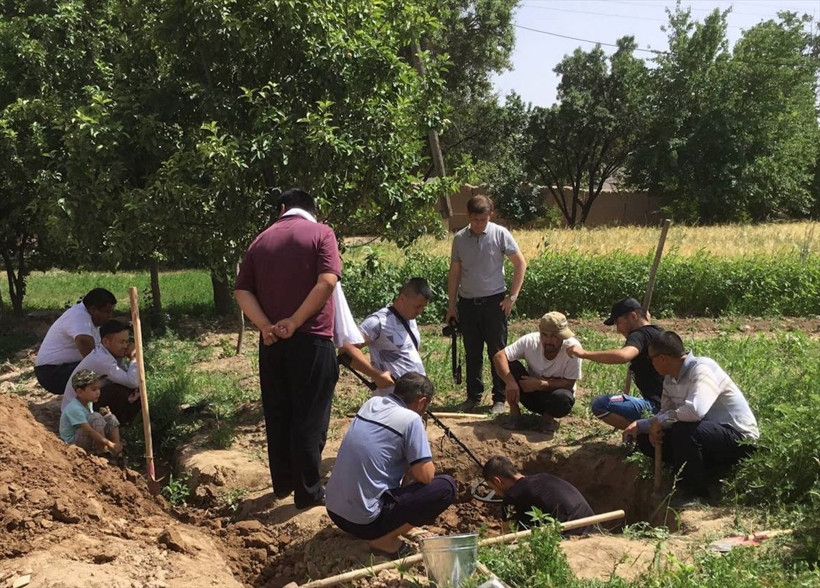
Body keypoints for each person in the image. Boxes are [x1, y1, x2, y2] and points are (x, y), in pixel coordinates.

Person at [235, 188, 340, 510]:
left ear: (282, 208)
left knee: (279, 413)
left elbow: (241, 291)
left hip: (271, 344)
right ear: (313, 210)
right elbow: (327, 282)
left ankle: (282, 484)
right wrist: (294, 321)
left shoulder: (260, 240)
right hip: (312, 338)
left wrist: (266, 326)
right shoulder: (322, 234)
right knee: (310, 416)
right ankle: (308, 492)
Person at [326, 373, 457, 559]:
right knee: (446, 487)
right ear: (422, 401)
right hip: (365, 523)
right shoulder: (411, 420)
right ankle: (384, 541)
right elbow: (426, 476)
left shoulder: (371, 404)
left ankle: (396, 528)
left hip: (335, 512)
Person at [623, 331, 759, 505]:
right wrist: (641, 425)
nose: (652, 364)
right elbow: (666, 412)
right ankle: (701, 468)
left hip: (738, 438)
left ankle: (694, 492)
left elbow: (695, 412)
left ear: (662, 358)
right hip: (706, 434)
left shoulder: (702, 369)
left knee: (683, 429)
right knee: (646, 439)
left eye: (651, 359)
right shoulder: (670, 379)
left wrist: (661, 422)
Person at [446, 195, 527, 414]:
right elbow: (455, 272)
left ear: (490, 215)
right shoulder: (460, 239)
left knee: (497, 351)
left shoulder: (500, 234)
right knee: (472, 351)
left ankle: (499, 398)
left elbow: (520, 263)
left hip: (494, 303)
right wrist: (452, 305)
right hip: (468, 303)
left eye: (483, 219)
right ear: (469, 216)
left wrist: (512, 297)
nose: (479, 223)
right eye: (475, 219)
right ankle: (473, 397)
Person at [567, 297, 664, 431]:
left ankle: (641, 433)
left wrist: (585, 354)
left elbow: (624, 355)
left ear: (633, 316)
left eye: (618, 322)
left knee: (600, 404)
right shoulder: (658, 332)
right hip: (669, 406)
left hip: (656, 407)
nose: (618, 330)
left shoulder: (638, 335)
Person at [492, 312, 581, 434]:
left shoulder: (572, 349)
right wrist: (511, 382)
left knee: (562, 398)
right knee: (507, 367)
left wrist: (540, 384)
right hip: (529, 392)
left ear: (562, 336)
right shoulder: (530, 341)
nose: (549, 340)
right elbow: (499, 356)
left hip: (553, 399)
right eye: (544, 335)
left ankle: (548, 419)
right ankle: (515, 414)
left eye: (554, 336)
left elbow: (569, 384)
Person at [340, 278, 432, 396]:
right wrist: (376, 375)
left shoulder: (410, 320)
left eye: (423, 307)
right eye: (417, 306)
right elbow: (346, 349)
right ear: (403, 298)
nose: (420, 311)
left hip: (413, 397)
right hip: (391, 398)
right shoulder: (378, 322)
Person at [483, 456, 595, 535]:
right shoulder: (544, 477)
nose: (496, 493)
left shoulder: (512, 497)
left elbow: (506, 537)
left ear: (497, 481)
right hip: (594, 528)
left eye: (492, 487)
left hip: (575, 538)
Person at [34, 288, 117, 394]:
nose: (109, 316)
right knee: (100, 376)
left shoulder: (89, 319)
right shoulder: (79, 317)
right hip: (52, 373)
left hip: (63, 368)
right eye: (107, 312)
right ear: (93, 309)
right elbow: (86, 347)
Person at [63, 320, 140, 426]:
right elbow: (133, 382)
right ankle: (118, 426)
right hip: (76, 411)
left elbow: (129, 377)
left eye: (127, 342)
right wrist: (134, 358)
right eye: (121, 342)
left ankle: (121, 425)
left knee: (133, 391)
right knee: (121, 391)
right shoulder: (102, 359)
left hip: (86, 400)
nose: (126, 346)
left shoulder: (109, 354)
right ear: (106, 342)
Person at [59, 370, 122, 456]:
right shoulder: (74, 408)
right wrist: (108, 443)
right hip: (72, 441)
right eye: (94, 389)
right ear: (80, 392)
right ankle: (103, 452)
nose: (98, 392)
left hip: (84, 435)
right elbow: (89, 430)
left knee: (111, 418)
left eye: (98, 389)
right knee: (96, 417)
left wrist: (105, 415)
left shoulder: (88, 403)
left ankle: (117, 451)